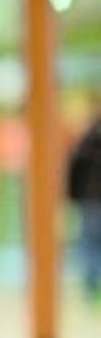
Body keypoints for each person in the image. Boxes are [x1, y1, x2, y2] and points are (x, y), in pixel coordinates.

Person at [69, 114, 101, 301]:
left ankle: (92, 285)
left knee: (89, 243)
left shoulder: (87, 141)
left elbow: (75, 168)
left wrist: (73, 195)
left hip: (89, 199)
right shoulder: (87, 141)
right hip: (90, 199)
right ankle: (93, 285)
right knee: (91, 242)